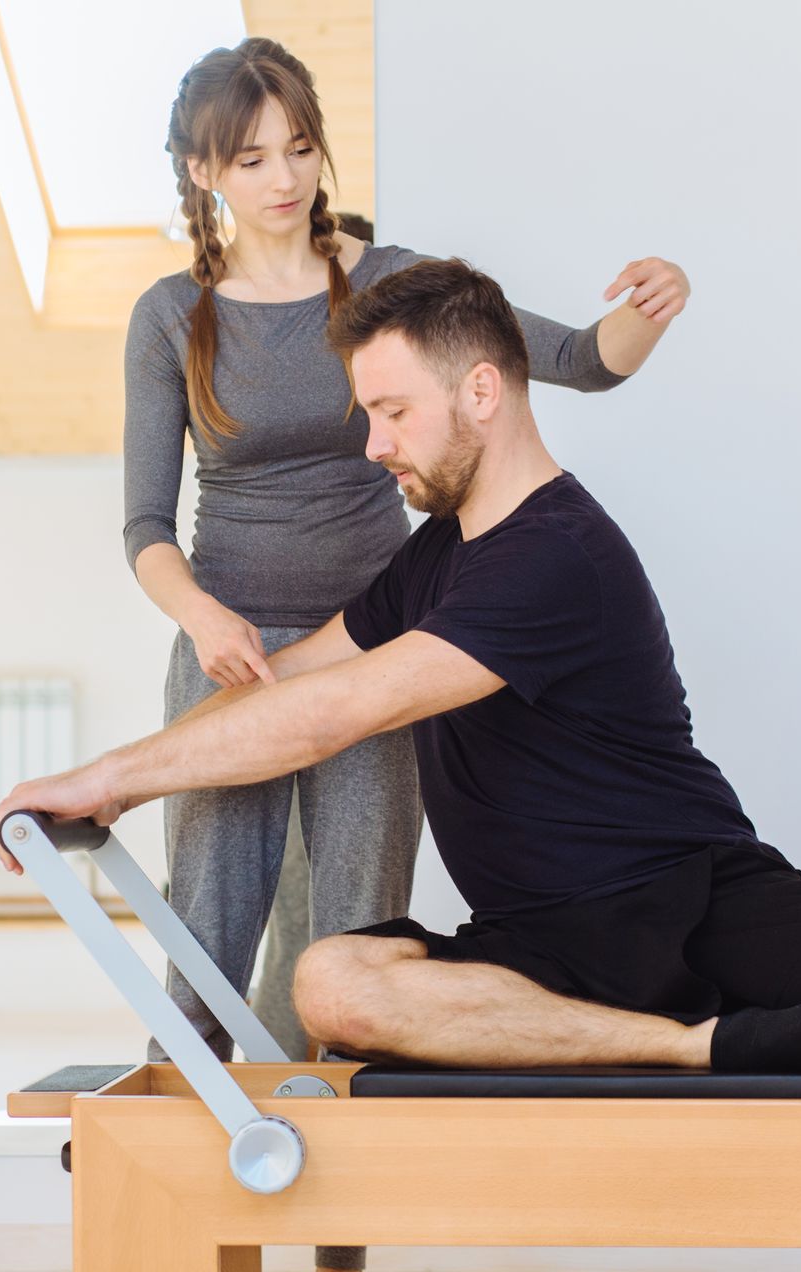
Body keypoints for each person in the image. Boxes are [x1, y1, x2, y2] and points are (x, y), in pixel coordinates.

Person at [0, 257, 801, 1097]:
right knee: (334, 981)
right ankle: (694, 1047)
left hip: (690, 899)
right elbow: (292, 675)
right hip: (539, 948)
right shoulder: (438, 553)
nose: (372, 446)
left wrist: (109, 785)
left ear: (481, 390)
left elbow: (335, 711)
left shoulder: (557, 553)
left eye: (393, 413)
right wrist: (108, 771)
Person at [125, 37, 688, 1090]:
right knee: (205, 934)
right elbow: (144, 527)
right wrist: (204, 619)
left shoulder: (385, 285)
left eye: (299, 148)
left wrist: (655, 299)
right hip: (232, 655)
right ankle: (173, 1174)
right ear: (203, 173)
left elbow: (574, 361)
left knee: (354, 934)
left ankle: (341, 1224)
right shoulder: (169, 317)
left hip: (377, 650)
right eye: (251, 159)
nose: (285, 178)